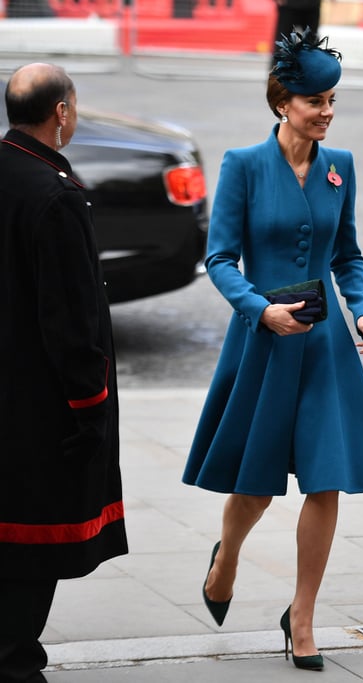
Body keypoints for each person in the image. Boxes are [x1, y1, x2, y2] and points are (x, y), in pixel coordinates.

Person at [182, 29, 363, 671]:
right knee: (253, 489)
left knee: (325, 479)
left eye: (332, 99)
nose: (327, 111)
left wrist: (362, 310)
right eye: (316, 100)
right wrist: (261, 310)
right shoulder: (244, 165)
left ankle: (302, 617)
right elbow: (220, 258)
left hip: (325, 344)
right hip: (265, 340)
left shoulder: (342, 168)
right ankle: (226, 559)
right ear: (285, 102)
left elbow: (348, 255)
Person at [0, 63, 128, 683]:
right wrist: (91, 404)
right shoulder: (54, 194)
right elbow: (71, 320)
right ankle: (17, 663)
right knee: (33, 544)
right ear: (61, 113)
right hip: (39, 407)